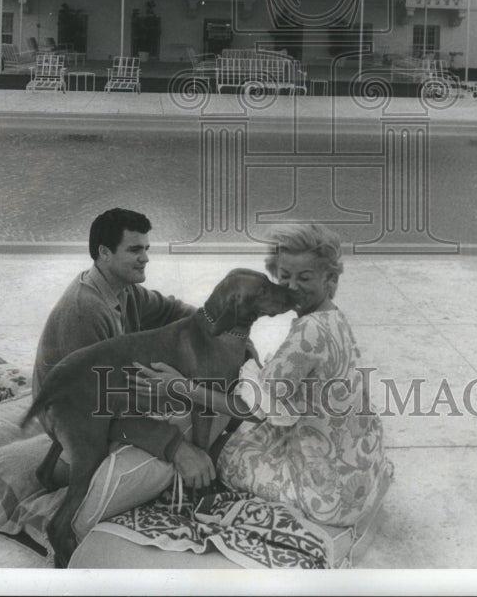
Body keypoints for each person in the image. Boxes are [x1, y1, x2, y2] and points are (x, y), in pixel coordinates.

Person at [133, 222, 392, 528]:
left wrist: (180, 386)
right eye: (285, 276)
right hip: (361, 471)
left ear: (330, 277)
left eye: (305, 277)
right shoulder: (332, 317)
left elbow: (249, 409)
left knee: (220, 450)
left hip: (329, 496)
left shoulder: (306, 335)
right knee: (253, 429)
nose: (293, 286)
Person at [32, 206, 215, 489]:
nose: (145, 258)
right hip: (71, 415)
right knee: (163, 465)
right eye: (134, 250)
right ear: (104, 253)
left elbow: (174, 310)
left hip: (105, 393)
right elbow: (95, 407)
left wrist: (222, 327)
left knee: (194, 387)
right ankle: (59, 470)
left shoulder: (123, 288)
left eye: (146, 248)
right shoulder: (85, 312)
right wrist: (175, 447)